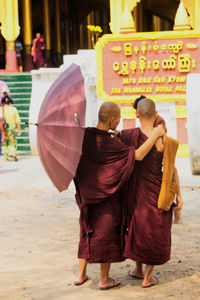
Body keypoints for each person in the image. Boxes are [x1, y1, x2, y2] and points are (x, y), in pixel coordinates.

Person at [73, 102, 164, 290]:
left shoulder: (85, 136)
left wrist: (114, 134)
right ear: (113, 119)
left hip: (87, 196)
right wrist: (155, 134)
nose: (121, 119)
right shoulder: (111, 144)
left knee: (86, 231)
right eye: (119, 117)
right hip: (105, 198)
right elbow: (137, 155)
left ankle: (81, 274)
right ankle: (104, 279)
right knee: (104, 235)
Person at [119, 98, 183, 288]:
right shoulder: (163, 138)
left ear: (136, 114)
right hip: (157, 192)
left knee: (138, 228)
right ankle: (146, 276)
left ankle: (138, 269)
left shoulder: (128, 135)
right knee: (155, 230)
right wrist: (179, 196)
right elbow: (172, 169)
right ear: (155, 115)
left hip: (137, 193)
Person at [1, 94, 21, 161]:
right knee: (12, 140)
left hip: (3, 127)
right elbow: (17, 120)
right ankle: (13, 153)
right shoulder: (14, 109)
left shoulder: (1, 109)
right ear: (10, 102)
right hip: (12, 126)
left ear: (3, 102)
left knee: (4, 141)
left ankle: (6, 156)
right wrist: (19, 129)